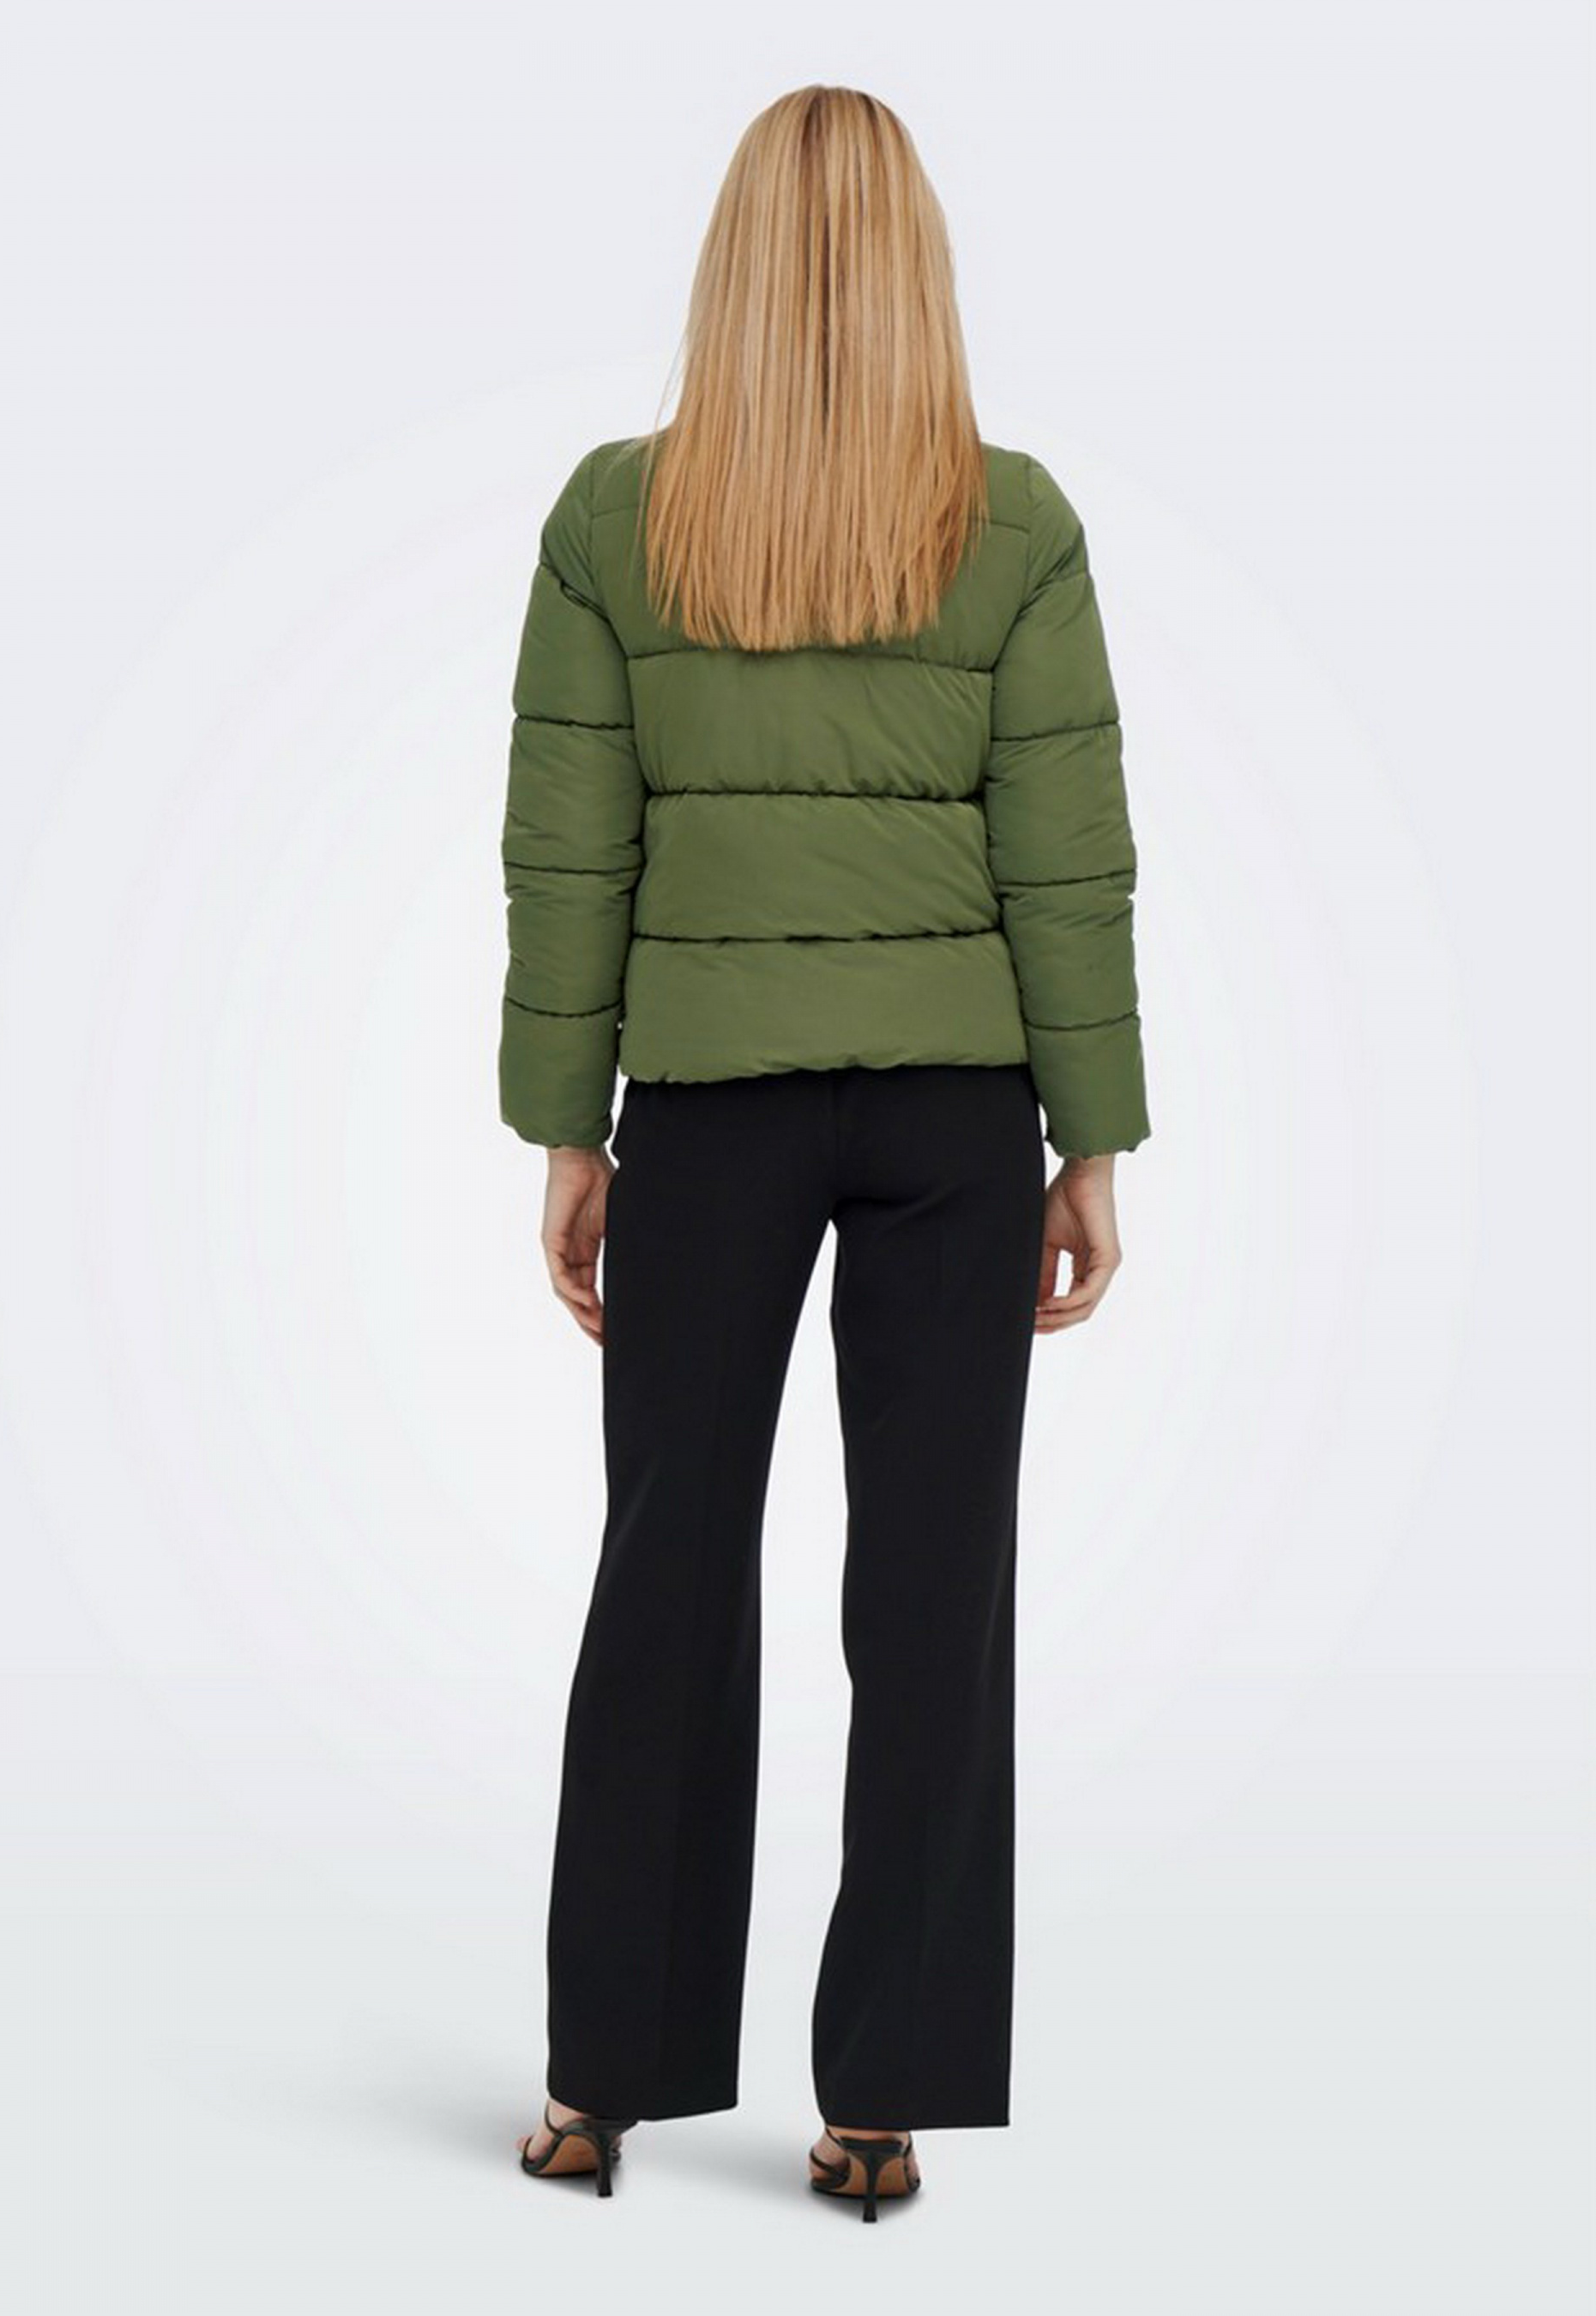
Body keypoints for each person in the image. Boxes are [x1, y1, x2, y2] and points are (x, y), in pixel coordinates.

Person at [497, 81, 1152, 2218]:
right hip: (959, 1115)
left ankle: (598, 2081)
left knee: (666, 1572)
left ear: (730, 271)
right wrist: (1088, 1140)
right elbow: (1064, 863)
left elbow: (567, 854)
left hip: (703, 1105)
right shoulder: (1010, 521)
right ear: (917, 273)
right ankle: (876, 2104)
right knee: (934, 1594)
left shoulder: (622, 519)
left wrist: (565, 1126)